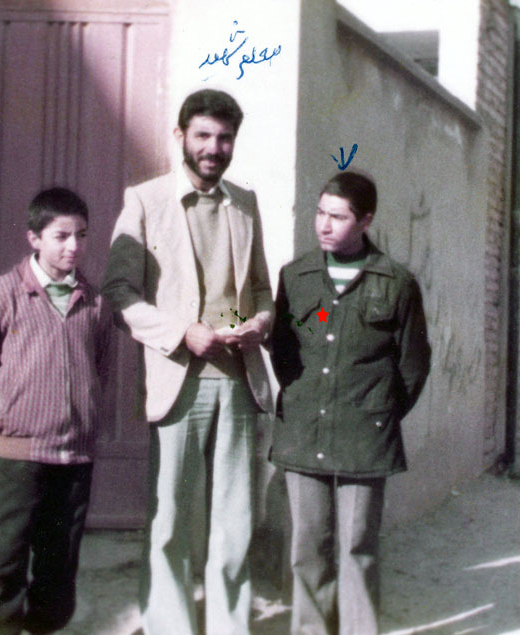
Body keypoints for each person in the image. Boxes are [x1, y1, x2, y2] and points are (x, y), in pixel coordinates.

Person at [102, 88, 273, 635]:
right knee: (171, 518)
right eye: (202, 135)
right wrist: (181, 333)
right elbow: (119, 295)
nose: (213, 148)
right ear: (180, 136)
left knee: (235, 518)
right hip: (178, 380)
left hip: (239, 381)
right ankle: (171, 626)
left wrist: (260, 322)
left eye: (224, 138)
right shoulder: (144, 201)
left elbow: (261, 290)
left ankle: (228, 626)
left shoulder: (244, 203)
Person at [270, 172, 431, 635]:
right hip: (304, 430)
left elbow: (413, 365)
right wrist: (305, 398)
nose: (324, 225)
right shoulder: (297, 277)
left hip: (365, 437)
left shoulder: (396, 283)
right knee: (307, 547)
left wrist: (375, 412)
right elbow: (284, 349)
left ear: (365, 221)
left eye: (338, 217)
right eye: (320, 212)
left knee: (358, 546)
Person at [0, 187, 113, 634]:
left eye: (81, 235)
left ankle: (44, 628)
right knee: (5, 558)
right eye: (61, 236)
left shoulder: (95, 302)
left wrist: (81, 420)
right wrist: (8, 438)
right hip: (20, 456)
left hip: (75, 456)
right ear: (34, 238)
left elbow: (100, 369)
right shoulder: (0, 296)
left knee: (58, 564)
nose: (73, 246)